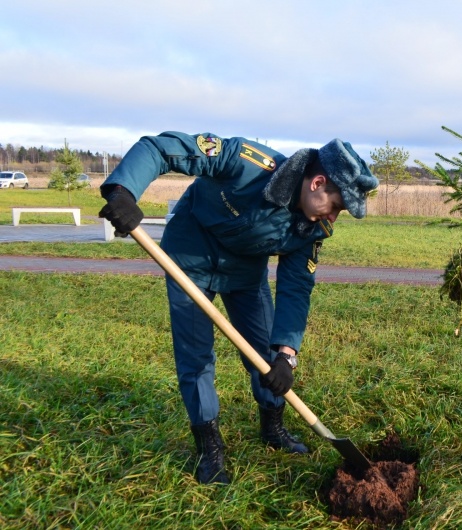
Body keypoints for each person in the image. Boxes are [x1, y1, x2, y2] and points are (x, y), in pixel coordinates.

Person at [99, 132, 379, 485]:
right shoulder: (246, 162)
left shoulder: (313, 228)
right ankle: (209, 448)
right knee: (196, 357)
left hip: (245, 274)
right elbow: (160, 149)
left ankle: (273, 428)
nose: (334, 218)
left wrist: (287, 354)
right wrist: (123, 191)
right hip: (190, 259)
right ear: (317, 183)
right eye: (337, 206)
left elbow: (296, 287)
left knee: (265, 354)